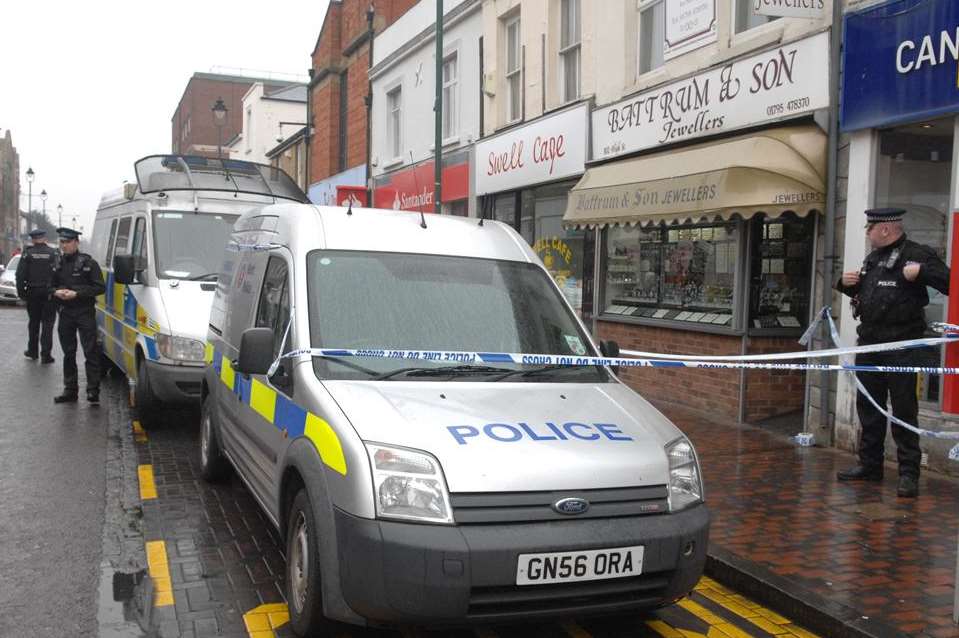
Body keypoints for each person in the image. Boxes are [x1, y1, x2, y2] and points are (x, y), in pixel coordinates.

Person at [835, 207, 950, 498]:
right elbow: (868, 295)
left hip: (901, 345)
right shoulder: (873, 258)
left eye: (869, 228)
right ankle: (870, 465)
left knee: (903, 409)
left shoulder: (917, 254)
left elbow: (950, 283)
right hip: (871, 343)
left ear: (885, 229)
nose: (867, 233)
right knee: (869, 406)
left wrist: (922, 272)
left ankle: (908, 473)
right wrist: (846, 285)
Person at [50, 227, 105, 404]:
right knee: (68, 353)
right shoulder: (57, 263)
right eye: (62, 242)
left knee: (90, 351)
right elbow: (49, 286)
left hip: (84, 312)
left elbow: (99, 287)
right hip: (65, 313)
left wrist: (77, 293)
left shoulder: (89, 263)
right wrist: (56, 292)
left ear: (76, 242)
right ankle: (70, 390)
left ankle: (93, 390)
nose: (63, 245)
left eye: (67, 242)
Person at [15, 228, 58, 363]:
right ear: (44, 238)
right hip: (49, 293)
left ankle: (32, 351)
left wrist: (22, 294)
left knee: (33, 322)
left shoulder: (27, 254)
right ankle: (46, 354)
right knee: (48, 324)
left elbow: (20, 275)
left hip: (32, 292)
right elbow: (59, 273)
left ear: (33, 239)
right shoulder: (53, 253)